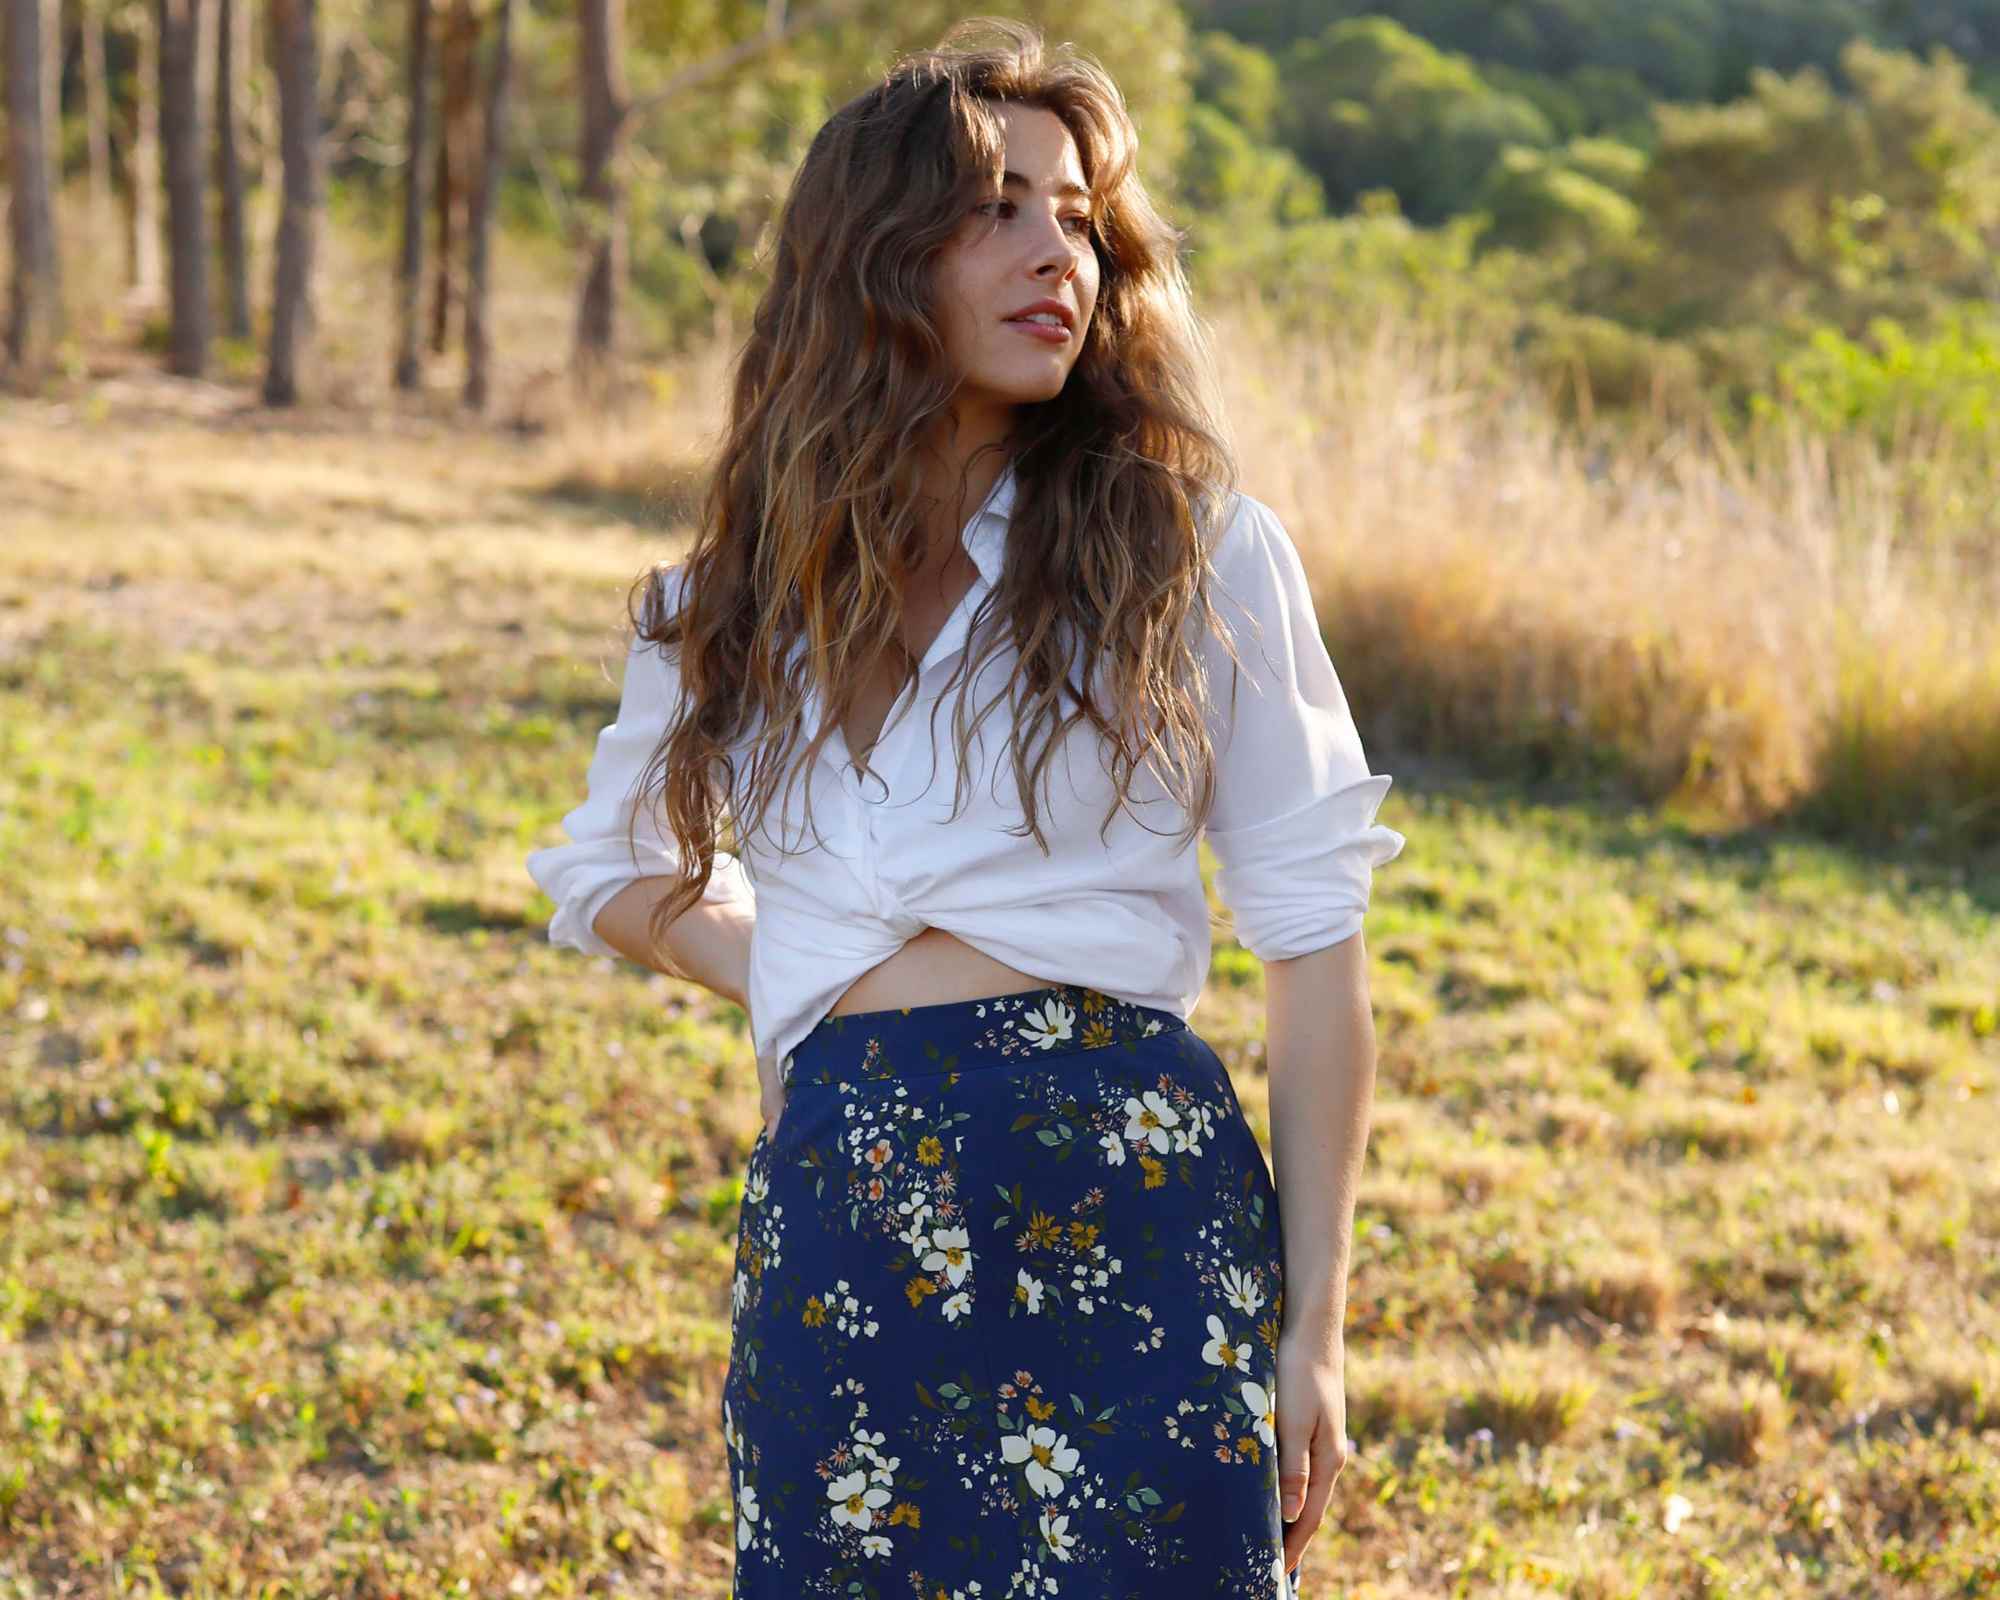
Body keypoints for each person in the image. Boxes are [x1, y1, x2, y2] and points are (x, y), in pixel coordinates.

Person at [525, 18, 1405, 1598]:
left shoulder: (1195, 555)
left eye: (1077, 216)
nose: (1051, 250)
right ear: (873, 256)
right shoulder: (729, 598)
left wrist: (1315, 1330)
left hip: (1130, 1196)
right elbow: (608, 873)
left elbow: (1316, 949)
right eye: (997, 206)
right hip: (846, 1214)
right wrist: (804, 964)